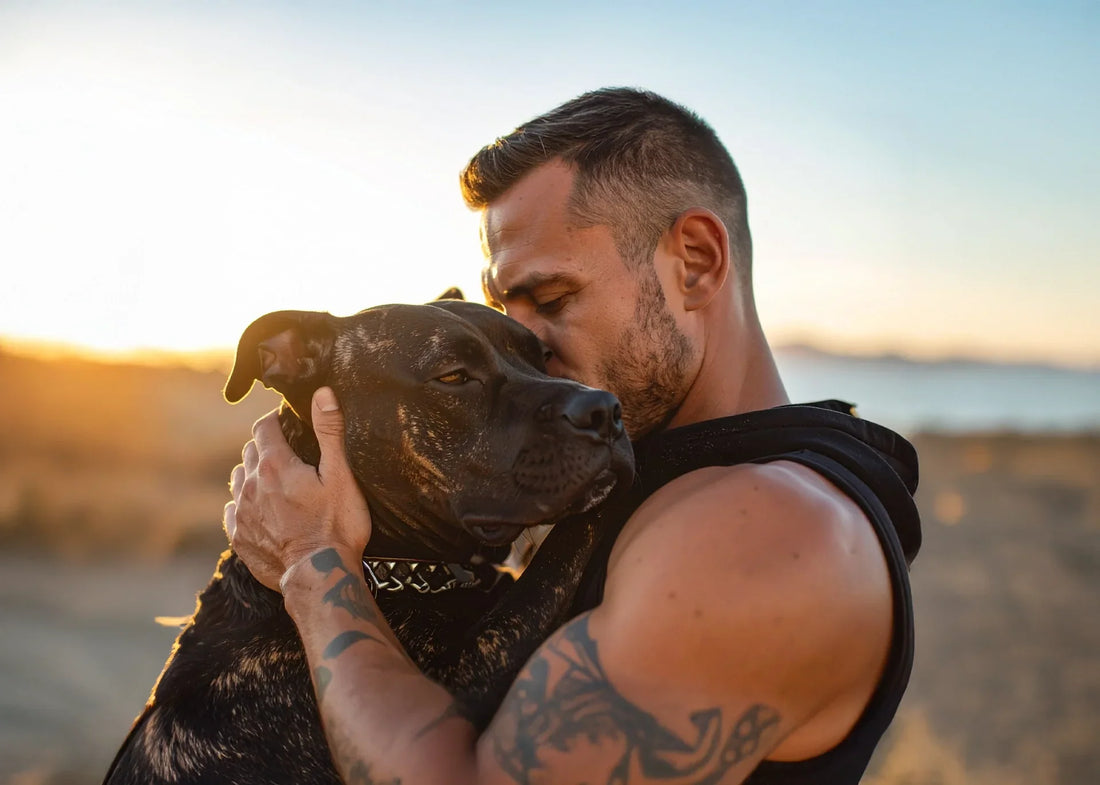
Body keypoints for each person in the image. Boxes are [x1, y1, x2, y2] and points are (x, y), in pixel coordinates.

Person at [224, 87, 921, 785]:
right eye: (504, 311)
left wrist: (312, 562)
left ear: (698, 261)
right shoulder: (673, 475)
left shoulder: (768, 527)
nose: (523, 343)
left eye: (553, 300)